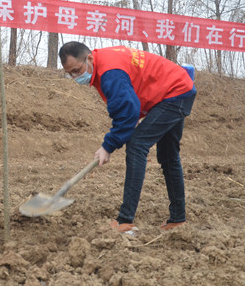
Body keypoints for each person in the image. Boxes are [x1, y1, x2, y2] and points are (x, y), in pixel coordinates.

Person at [59, 41, 196, 235]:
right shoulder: (103, 64)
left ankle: (125, 221)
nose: (75, 77)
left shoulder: (109, 72)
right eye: (69, 74)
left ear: (89, 58)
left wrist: (108, 146)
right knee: (168, 155)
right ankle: (178, 219)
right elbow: (131, 98)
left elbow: (126, 112)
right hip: (176, 89)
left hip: (174, 92)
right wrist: (134, 119)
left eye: (76, 70)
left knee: (137, 145)